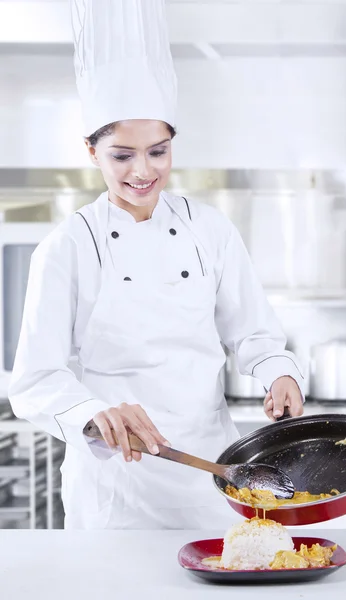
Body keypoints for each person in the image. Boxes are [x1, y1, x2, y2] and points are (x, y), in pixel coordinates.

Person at [8, 0, 305, 530]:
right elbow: (36, 380)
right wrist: (92, 414)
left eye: (159, 151)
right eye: (122, 155)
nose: (143, 171)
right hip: (117, 483)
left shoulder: (209, 229)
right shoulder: (67, 246)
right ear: (92, 151)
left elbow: (254, 333)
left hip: (214, 471)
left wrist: (278, 372)